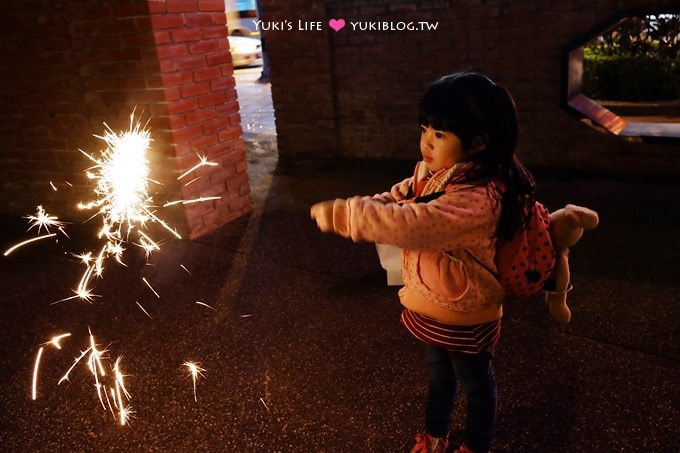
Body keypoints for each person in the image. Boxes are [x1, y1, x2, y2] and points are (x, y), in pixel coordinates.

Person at [310, 72, 536, 453]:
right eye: (425, 128)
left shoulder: (478, 199)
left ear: (479, 142)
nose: (426, 141)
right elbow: (396, 199)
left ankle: (476, 445)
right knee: (438, 377)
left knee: (476, 384)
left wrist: (351, 217)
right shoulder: (430, 174)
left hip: (466, 313)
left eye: (441, 134)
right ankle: (435, 436)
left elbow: (415, 223)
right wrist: (360, 206)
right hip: (432, 304)